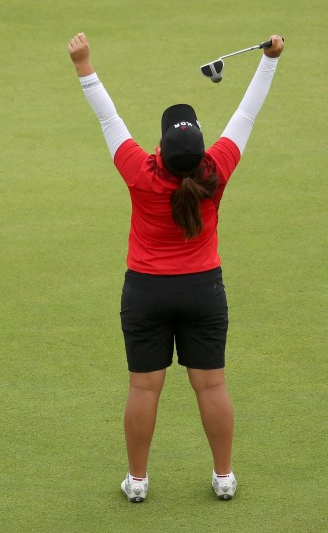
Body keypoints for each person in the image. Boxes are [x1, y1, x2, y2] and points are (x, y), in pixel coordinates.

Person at [67, 32, 284, 502]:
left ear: (161, 150)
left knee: (144, 389)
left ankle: (138, 482)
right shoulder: (216, 169)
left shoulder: (140, 172)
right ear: (200, 150)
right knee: (212, 384)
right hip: (203, 291)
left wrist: (84, 64)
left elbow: (109, 118)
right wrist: (270, 60)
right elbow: (246, 115)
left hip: (145, 291)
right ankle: (223, 476)